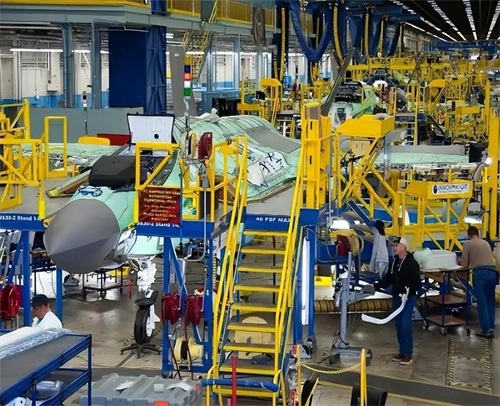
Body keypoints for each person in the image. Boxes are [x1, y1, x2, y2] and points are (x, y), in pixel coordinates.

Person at [375, 236, 421, 366]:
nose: (394, 248)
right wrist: (375, 287)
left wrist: (408, 291)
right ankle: (402, 351)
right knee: (399, 324)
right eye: (394, 246)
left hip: (408, 298)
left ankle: (408, 353)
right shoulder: (394, 261)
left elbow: (416, 282)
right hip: (396, 297)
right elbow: (388, 278)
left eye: (397, 245)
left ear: (404, 247)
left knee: (405, 325)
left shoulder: (412, 263)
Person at [458, 226, 498, 338]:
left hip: (480, 273)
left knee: (482, 302)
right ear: (478, 234)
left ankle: (485, 330)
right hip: (493, 272)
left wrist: (459, 260)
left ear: (469, 235)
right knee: (490, 301)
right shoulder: (486, 243)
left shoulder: (468, 244)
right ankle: (491, 327)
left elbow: (465, 264)